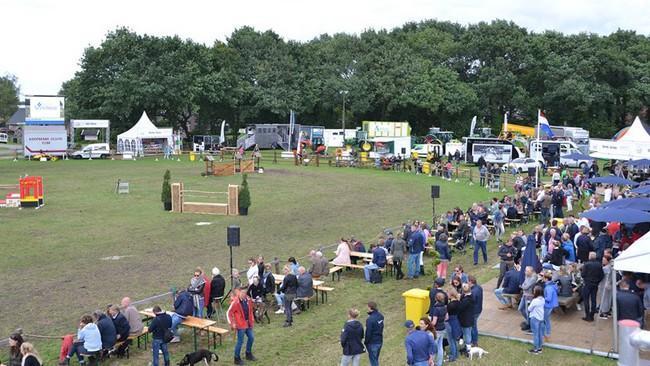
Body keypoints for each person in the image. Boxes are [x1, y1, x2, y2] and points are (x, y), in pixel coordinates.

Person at [227, 288, 256, 365]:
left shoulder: (248, 299)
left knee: (251, 337)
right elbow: (229, 313)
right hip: (240, 325)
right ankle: (236, 358)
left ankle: (248, 354)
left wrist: (252, 319)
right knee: (240, 341)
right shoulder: (235, 302)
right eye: (242, 292)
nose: (244, 294)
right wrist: (232, 323)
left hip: (248, 324)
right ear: (239, 293)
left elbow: (250, 310)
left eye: (245, 293)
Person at [581, 252, 604, 322]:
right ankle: (592, 315)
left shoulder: (587, 264)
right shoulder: (599, 265)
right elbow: (602, 275)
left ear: (589, 257)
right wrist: (597, 281)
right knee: (593, 300)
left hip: (587, 284)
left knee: (586, 300)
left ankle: (587, 315)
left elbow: (583, 274)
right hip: (595, 284)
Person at [429, 292, 447, 366]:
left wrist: (428, 324)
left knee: (433, 348)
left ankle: (431, 363)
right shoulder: (445, 307)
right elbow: (447, 318)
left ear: (436, 298)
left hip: (436, 330)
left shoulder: (436, 309)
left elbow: (434, 322)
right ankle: (439, 363)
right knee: (440, 347)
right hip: (443, 328)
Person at [364, 301, 384, 366]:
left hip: (372, 343)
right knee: (375, 359)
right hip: (379, 341)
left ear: (370, 308)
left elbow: (368, 332)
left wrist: (366, 342)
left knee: (374, 361)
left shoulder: (370, 320)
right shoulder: (380, 316)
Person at [519, 266, 538, 330]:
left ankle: (531, 326)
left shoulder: (533, 278)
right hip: (524, 295)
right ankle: (528, 321)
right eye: (525, 270)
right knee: (520, 309)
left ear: (531, 271)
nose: (525, 272)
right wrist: (523, 286)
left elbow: (525, 287)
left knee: (528, 312)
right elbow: (524, 284)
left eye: (527, 271)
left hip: (529, 297)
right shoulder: (527, 275)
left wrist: (523, 286)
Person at [527, 286, 546, 354]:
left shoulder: (535, 301)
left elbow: (529, 309)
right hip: (541, 318)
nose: (533, 291)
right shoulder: (543, 299)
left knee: (535, 334)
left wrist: (529, 303)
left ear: (536, 292)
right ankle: (540, 348)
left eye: (534, 291)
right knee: (540, 334)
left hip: (535, 318)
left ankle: (535, 349)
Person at [445, 288, 461, 362]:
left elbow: (447, 316)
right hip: (456, 321)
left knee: (451, 340)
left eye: (447, 293)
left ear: (450, 295)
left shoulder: (450, 305)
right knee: (454, 340)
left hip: (450, 322)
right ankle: (456, 353)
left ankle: (453, 356)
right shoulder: (458, 302)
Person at [457, 284, 475, 350]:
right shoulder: (470, 296)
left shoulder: (467, 300)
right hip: (469, 318)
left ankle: (468, 349)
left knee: (467, 334)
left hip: (466, 320)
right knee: (467, 333)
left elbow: (460, 307)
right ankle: (467, 346)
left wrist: (458, 300)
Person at [468, 276, 483, 346]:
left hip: (474, 311)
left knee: (473, 327)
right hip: (479, 309)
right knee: (474, 326)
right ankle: (474, 340)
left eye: (468, 281)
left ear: (470, 282)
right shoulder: (479, 287)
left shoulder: (473, 291)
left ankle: (474, 342)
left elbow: (472, 301)